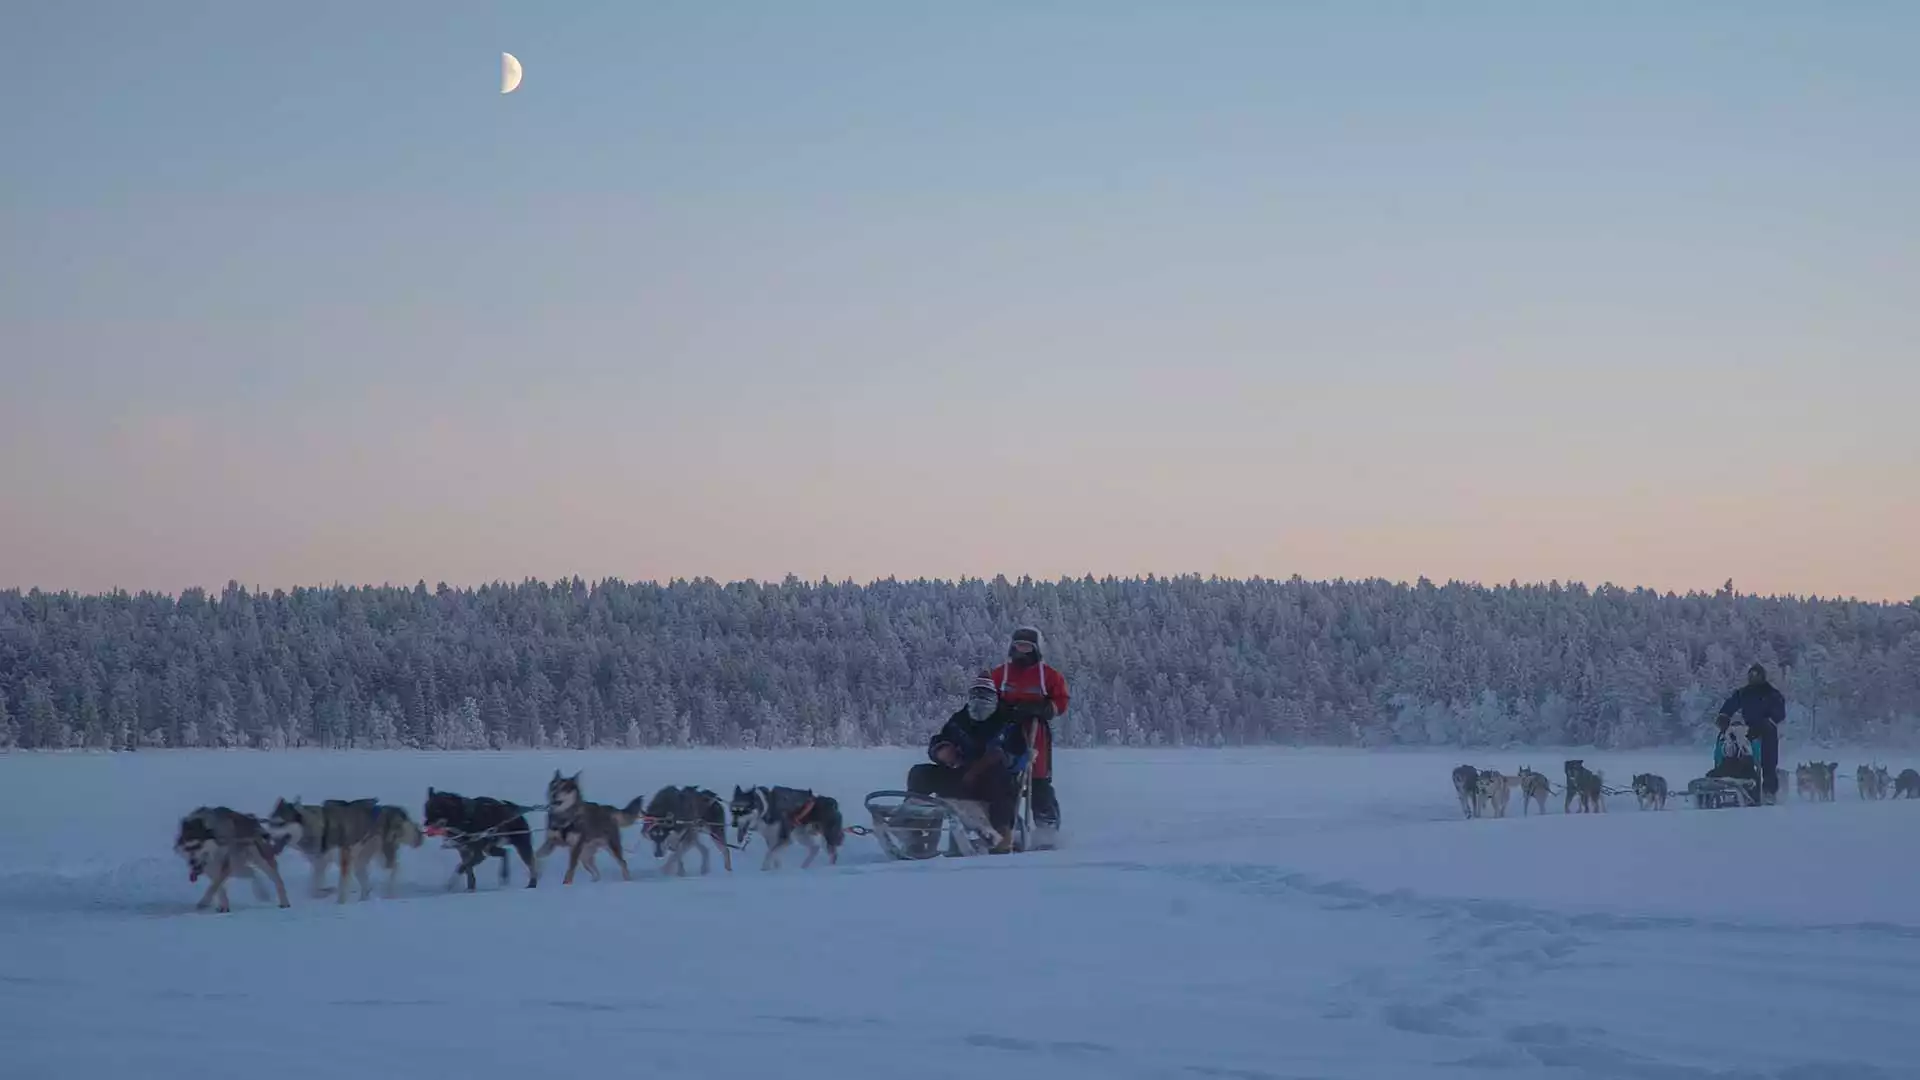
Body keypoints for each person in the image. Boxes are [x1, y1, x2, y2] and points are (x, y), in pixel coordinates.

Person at [907, 678, 1028, 853]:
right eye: (976, 695)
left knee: (998, 778)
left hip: (993, 784)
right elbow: (940, 740)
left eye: (985, 696)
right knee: (920, 773)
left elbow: (1022, 756)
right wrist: (940, 750)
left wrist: (1006, 758)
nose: (980, 702)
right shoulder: (959, 721)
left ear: (994, 699)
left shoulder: (1008, 723)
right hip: (960, 777)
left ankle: (1002, 835)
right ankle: (915, 830)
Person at [983, 625, 1069, 830]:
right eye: (1019, 646)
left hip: (1034, 731)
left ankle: (1046, 823)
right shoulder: (1000, 673)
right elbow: (985, 694)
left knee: (1037, 780)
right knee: (1003, 777)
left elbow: (1061, 702)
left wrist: (1042, 707)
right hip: (1004, 730)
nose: (1022, 651)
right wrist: (997, 707)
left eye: (1027, 647)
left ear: (1037, 649)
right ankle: (1003, 824)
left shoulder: (1049, 675)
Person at [1716, 663, 1786, 804]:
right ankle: (1726, 772)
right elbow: (1731, 703)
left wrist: (1769, 721)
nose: (1753, 678)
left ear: (1762, 676)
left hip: (1767, 729)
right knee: (1730, 743)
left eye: (1756, 675)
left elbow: (1779, 712)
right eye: (1751, 675)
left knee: (1768, 758)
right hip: (1748, 728)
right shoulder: (1744, 693)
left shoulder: (1771, 693)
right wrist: (1724, 716)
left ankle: (1769, 790)